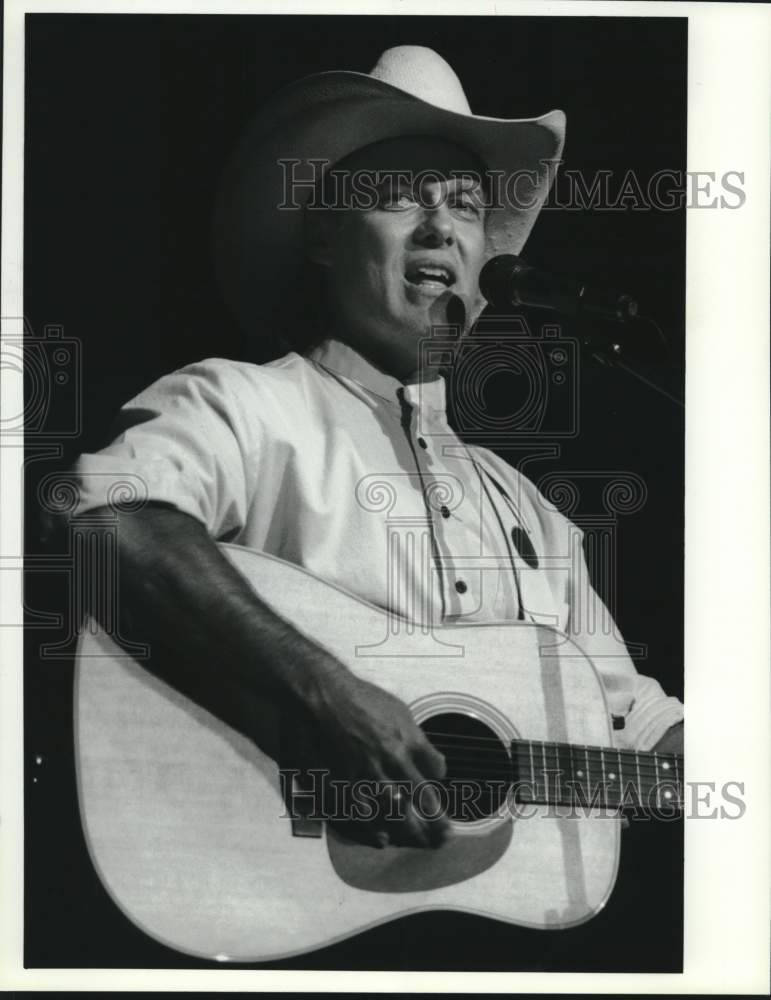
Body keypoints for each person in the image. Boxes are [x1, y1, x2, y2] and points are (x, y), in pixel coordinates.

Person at [65, 46, 683, 852]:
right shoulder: (244, 404)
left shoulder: (529, 509)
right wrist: (323, 692)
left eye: (464, 204)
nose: (440, 227)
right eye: (400, 196)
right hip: (269, 894)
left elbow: (629, 718)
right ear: (324, 234)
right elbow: (110, 520)